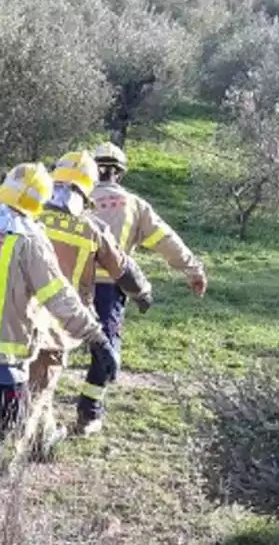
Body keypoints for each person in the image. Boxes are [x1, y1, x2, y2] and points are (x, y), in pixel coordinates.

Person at [0, 162, 118, 480]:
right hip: (3, 351)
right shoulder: (29, 242)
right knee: (8, 410)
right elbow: (59, 297)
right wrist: (97, 337)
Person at [18, 151, 153, 461]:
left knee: (33, 383)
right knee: (39, 387)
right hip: (59, 324)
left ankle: (44, 438)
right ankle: (11, 457)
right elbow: (123, 270)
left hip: (18, 316)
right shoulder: (91, 229)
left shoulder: (29, 217)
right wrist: (143, 294)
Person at [80, 142, 208, 436]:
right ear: (120, 174)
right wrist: (193, 270)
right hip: (111, 289)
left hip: (70, 286)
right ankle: (89, 412)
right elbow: (166, 240)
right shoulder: (135, 205)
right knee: (105, 349)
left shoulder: (76, 199)